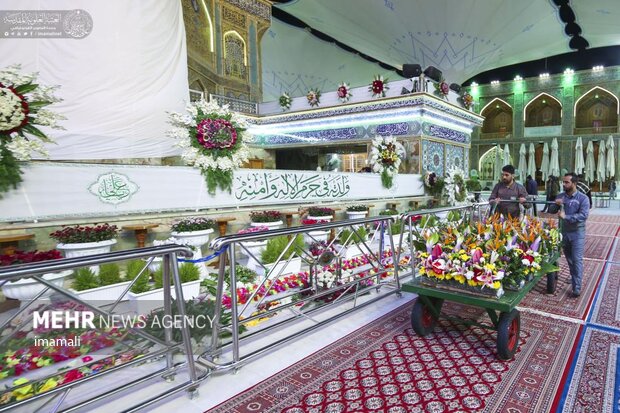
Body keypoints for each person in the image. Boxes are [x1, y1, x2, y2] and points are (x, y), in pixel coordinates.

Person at [555, 172, 590, 298]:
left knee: (576, 259)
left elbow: (584, 215)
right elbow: (551, 210)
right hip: (564, 232)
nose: (564, 184)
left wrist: (567, 217)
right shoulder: (560, 196)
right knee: (569, 259)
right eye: (563, 182)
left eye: (567, 182)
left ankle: (577, 287)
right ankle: (574, 277)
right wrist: (555, 204)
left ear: (574, 183)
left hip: (577, 233)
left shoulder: (583, 198)